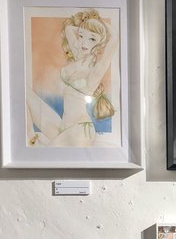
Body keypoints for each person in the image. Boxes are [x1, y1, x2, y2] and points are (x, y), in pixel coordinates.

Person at [26, 9, 117, 147]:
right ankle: (30, 138)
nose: (84, 42)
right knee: (23, 92)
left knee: (46, 153)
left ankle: (34, 143)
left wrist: (99, 24)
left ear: (100, 43)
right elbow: (69, 29)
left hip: (80, 130)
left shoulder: (97, 69)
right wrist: (88, 26)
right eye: (81, 36)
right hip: (64, 126)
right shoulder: (78, 57)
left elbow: (114, 38)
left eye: (92, 39)